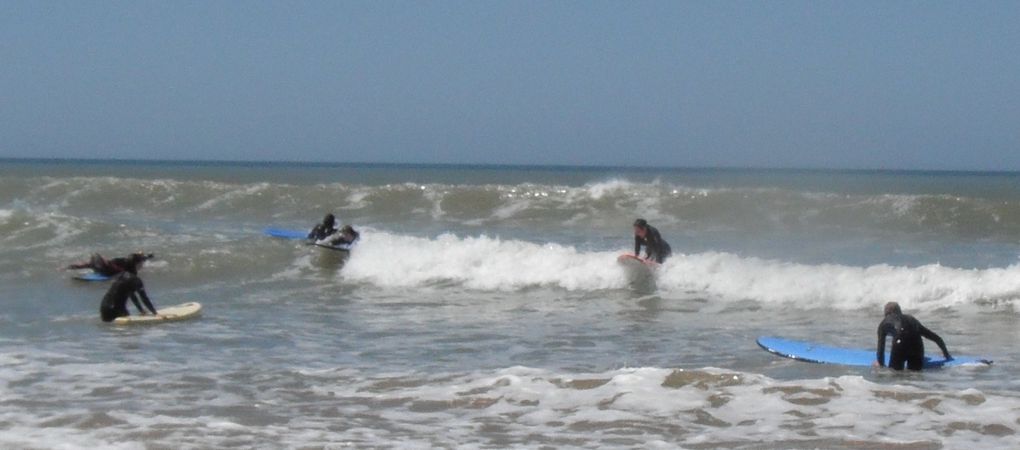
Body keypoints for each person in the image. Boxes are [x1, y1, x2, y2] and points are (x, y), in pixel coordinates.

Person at [875, 302, 951, 371]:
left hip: (900, 345)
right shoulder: (911, 319)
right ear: (900, 311)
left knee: (895, 374)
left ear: (886, 313)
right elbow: (935, 338)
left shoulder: (884, 323)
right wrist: (946, 355)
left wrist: (880, 364)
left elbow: (881, 349)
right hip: (917, 345)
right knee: (915, 374)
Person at [99, 255, 157, 322]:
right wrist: (155, 313)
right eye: (141, 263)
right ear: (137, 264)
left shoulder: (120, 276)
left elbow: (132, 296)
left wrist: (142, 311)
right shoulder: (135, 280)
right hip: (116, 311)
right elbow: (144, 298)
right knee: (130, 327)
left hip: (104, 309)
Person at [65, 252, 153, 277]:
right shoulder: (97, 265)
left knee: (92, 262)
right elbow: (84, 265)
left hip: (109, 268)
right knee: (90, 264)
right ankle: (146, 256)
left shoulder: (130, 266)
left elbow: (117, 268)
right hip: (108, 268)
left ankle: (146, 256)